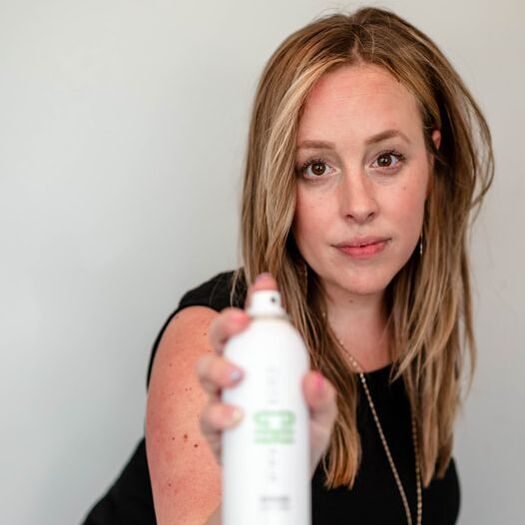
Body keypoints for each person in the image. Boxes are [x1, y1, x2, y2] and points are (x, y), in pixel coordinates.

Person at [82, 6, 494, 525]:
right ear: (280, 185)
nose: (359, 205)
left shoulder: (418, 325)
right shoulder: (217, 346)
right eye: (316, 167)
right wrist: (259, 489)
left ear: (433, 161)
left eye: (386, 159)